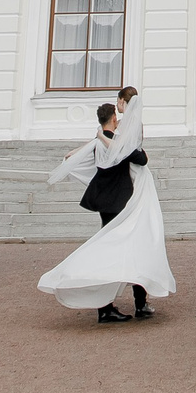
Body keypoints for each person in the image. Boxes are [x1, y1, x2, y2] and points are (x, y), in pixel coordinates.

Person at [38, 87, 174, 323]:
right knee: (125, 248)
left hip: (107, 200)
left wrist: (90, 142)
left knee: (120, 247)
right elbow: (138, 157)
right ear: (113, 117)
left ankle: (111, 305)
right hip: (120, 200)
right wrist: (99, 138)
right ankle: (128, 305)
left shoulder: (109, 138)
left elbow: (100, 149)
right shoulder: (117, 140)